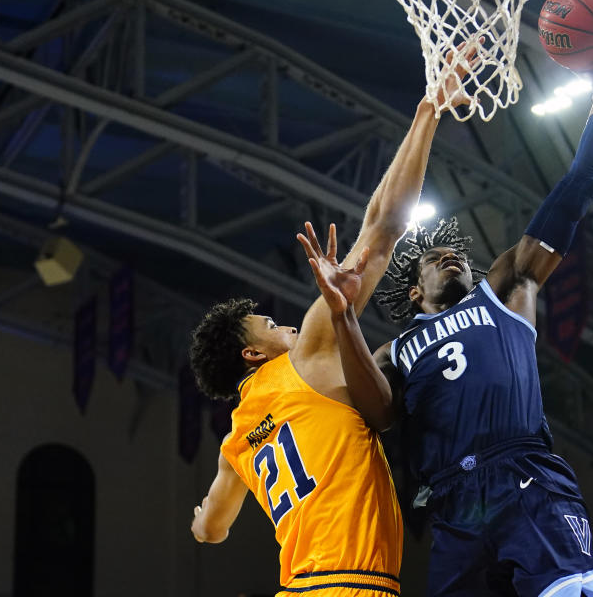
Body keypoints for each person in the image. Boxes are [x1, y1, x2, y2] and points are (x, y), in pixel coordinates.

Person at [187, 44, 478, 597]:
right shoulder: (307, 356)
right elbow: (382, 227)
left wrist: (201, 520)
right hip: (349, 585)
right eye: (270, 325)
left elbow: (213, 530)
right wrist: (428, 110)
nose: (287, 327)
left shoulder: (237, 442)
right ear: (253, 354)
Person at [362, 38, 593, 597]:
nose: (454, 257)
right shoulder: (395, 353)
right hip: (453, 504)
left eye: (457, 253)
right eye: (437, 260)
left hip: (524, 477)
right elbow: (374, 415)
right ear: (415, 293)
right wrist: (342, 317)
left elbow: (575, 188)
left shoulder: (505, 293)